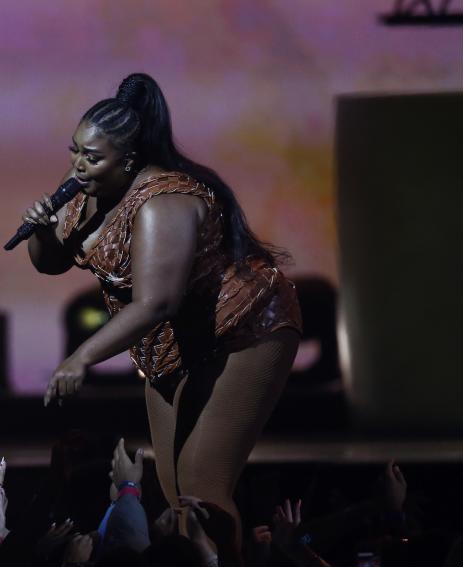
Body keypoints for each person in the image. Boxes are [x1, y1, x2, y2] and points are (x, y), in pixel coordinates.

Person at [22, 72, 302, 543]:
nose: (77, 165)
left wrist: (80, 358)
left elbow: (157, 302)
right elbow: (50, 264)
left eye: (92, 157)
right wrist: (41, 230)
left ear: (127, 159)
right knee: (175, 494)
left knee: (201, 488)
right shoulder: (86, 189)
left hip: (243, 329)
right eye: (74, 150)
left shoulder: (164, 202)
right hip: (173, 340)